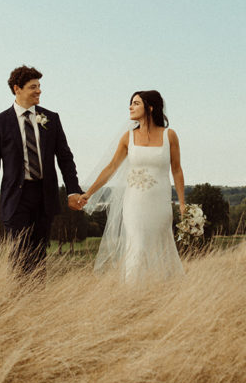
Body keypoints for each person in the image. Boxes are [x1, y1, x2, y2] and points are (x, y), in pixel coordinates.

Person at [0, 65, 83, 277]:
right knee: (20, 254)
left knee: (38, 255)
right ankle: (19, 302)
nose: (38, 91)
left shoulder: (51, 119)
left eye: (39, 86)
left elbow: (65, 158)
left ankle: (37, 303)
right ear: (17, 88)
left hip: (44, 195)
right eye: (33, 87)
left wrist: (73, 190)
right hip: (16, 198)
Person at [79, 90, 186, 283]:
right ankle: (133, 294)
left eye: (136, 103)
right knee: (137, 245)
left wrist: (183, 204)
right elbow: (111, 167)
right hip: (135, 203)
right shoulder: (127, 137)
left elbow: (177, 170)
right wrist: (89, 192)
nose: (130, 107)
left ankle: (163, 290)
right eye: (131, 103)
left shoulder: (169, 136)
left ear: (150, 107)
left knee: (160, 245)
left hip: (160, 204)